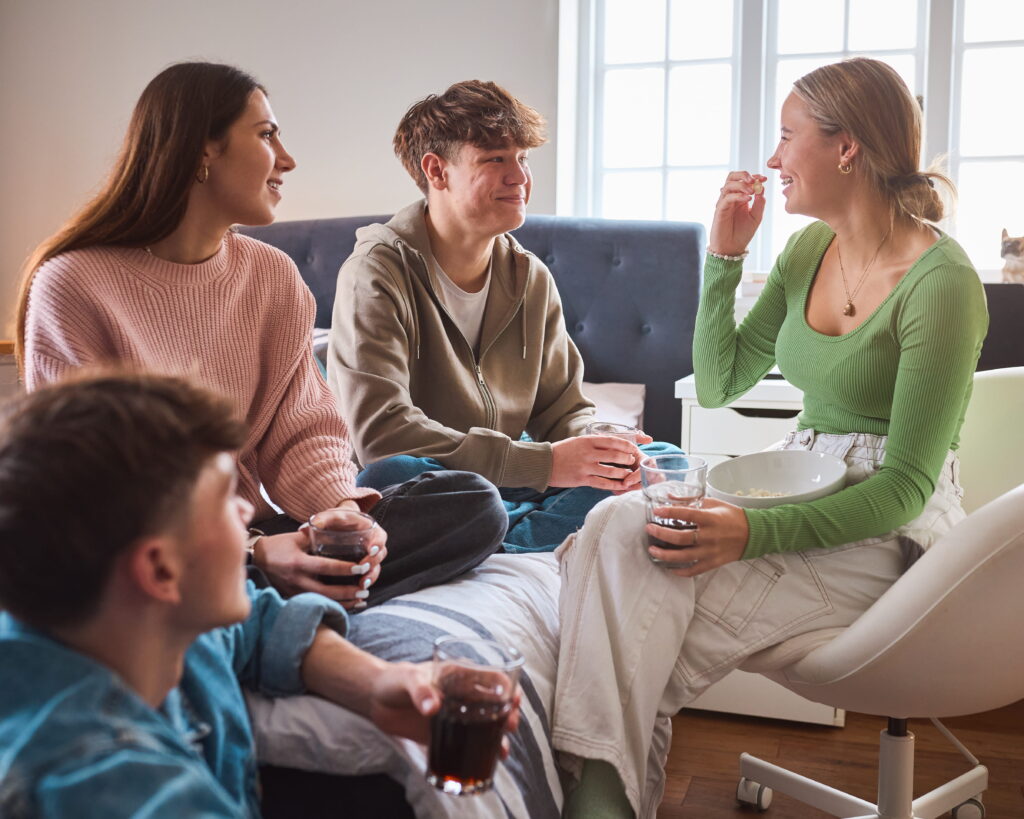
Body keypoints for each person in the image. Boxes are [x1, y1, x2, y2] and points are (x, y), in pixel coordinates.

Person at [549, 57, 988, 818]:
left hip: (894, 537)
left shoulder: (942, 283)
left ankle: (596, 805)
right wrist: (723, 257)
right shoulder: (804, 253)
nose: (774, 159)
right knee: (619, 522)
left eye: (788, 138)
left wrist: (750, 531)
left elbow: (905, 488)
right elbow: (719, 383)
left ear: (845, 146)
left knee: (634, 618)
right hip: (802, 483)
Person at [16, 62, 506, 610]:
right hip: (152, 544)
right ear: (204, 149)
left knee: (474, 504)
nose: (287, 159)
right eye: (267, 135)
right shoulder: (74, 284)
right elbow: (92, 488)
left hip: (256, 533)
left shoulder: (271, 275)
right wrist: (255, 553)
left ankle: (284, 597)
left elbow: (301, 427)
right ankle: (268, 601)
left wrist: (338, 509)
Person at [0, 371, 521, 816]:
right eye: (227, 501)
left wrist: (379, 683)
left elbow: (251, 623)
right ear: (160, 569)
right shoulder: (114, 787)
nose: (249, 514)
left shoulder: (143, 622)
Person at [327, 80, 675, 553]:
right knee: (393, 473)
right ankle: (523, 529)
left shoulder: (529, 277)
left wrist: (600, 449)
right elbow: (382, 435)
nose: (520, 177)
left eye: (523, 158)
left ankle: (499, 538)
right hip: (437, 484)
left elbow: (563, 411)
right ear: (437, 171)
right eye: (495, 159)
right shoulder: (376, 272)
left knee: (664, 461)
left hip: (509, 482)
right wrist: (545, 466)